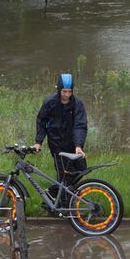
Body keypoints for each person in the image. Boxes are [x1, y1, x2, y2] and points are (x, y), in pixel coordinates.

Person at [33, 73, 88, 201]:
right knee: (64, 174)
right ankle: (64, 203)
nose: (67, 95)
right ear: (59, 89)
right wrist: (38, 142)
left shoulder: (78, 104)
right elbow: (41, 121)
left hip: (73, 145)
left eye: (69, 91)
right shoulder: (49, 102)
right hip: (57, 145)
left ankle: (54, 192)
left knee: (81, 169)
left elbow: (80, 125)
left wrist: (78, 145)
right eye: (64, 91)